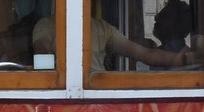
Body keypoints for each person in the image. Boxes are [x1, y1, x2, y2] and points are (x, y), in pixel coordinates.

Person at [33, 13, 194, 72]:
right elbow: (41, 53)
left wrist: (181, 59)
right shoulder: (48, 24)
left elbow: (146, 54)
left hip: (97, 93)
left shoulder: (102, 28)